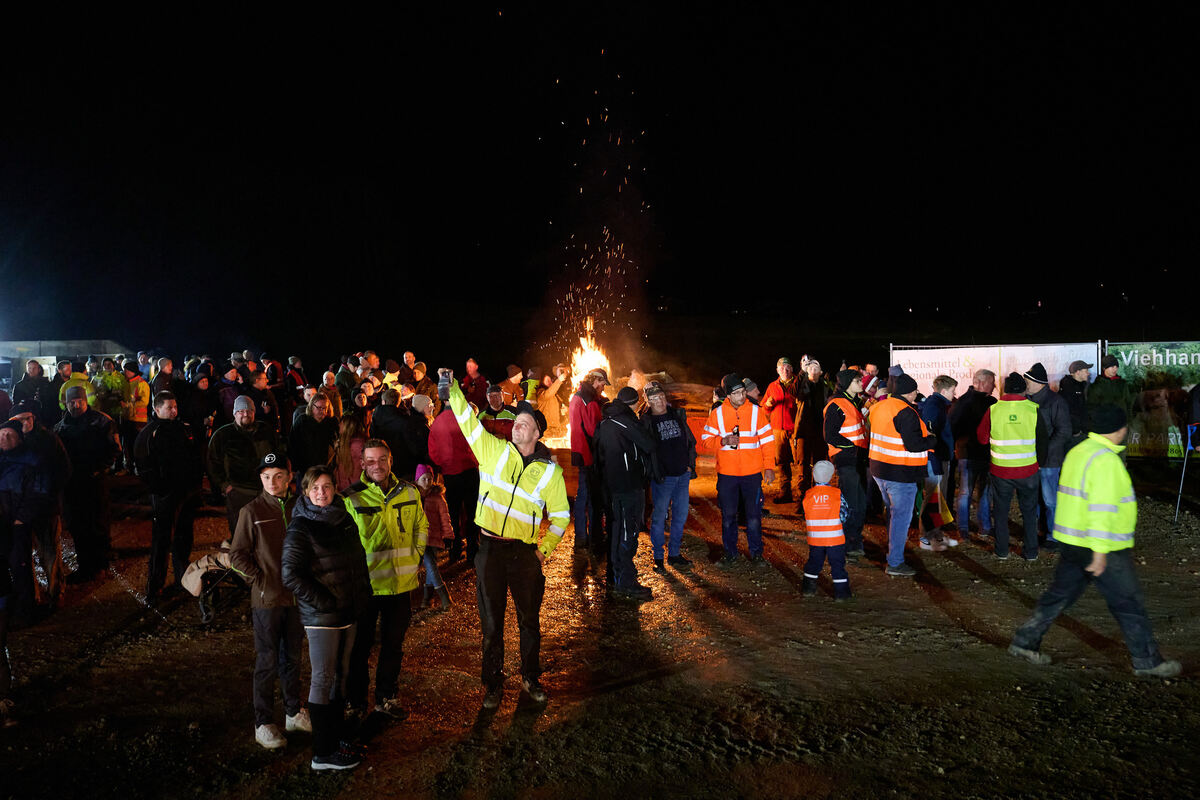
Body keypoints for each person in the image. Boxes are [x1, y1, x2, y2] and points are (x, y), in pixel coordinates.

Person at [1008, 406, 1181, 679]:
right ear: (1119, 430)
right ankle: (1147, 661)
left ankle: (1024, 641)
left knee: (1059, 596)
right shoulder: (1106, 461)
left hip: (1073, 542)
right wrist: (1100, 553)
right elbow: (1102, 510)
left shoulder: (1079, 452)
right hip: (1103, 546)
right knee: (1128, 602)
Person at [441, 368, 570, 708]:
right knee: (491, 623)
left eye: (523, 423)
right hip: (489, 552)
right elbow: (468, 422)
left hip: (525, 554)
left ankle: (530, 678)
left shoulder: (551, 473)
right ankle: (493, 684)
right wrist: (452, 390)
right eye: (516, 423)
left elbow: (560, 516)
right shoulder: (493, 451)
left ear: (537, 432)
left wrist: (543, 550)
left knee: (529, 621)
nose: (516, 426)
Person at [282, 465, 371, 770]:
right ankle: (322, 753)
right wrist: (325, 602)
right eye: (315, 488)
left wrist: (361, 599)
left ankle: (336, 738)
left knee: (340, 676)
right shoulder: (301, 526)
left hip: (347, 611)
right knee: (322, 678)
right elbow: (290, 574)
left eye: (327, 487)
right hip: (322, 616)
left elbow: (358, 562)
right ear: (306, 491)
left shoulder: (343, 519)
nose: (321, 493)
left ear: (334, 488)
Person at [343, 440, 426, 720]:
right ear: (362, 464)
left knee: (393, 646)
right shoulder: (351, 498)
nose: (377, 466)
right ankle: (355, 702)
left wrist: (416, 555)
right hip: (366, 587)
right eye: (370, 461)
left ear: (390, 461)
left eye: (382, 460)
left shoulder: (410, 492)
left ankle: (386, 697)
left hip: (400, 585)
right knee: (359, 647)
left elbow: (421, 526)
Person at [229, 453, 308, 749]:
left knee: (293, 658)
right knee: (267, 660)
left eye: (278, 476)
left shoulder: (300, 507)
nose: (272, 482)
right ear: (260, 479)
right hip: (267, 600)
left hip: (296, 598)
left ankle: (293, 712)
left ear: (289, 477)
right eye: (266, 477)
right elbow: (237, 554)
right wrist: (259, 580)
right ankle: (263, 722)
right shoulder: (251, 511)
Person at [134, 392, 204, 605]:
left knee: (184, 537)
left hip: (186, 493)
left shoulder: (185, 429)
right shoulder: (149, 433)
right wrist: (159, 489)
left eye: (175, 407)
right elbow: (143, 465)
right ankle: (155, 587)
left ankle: (183, 579)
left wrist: (195, 486)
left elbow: (197, 457)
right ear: (157, 409)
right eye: (169, 407)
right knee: (162, 541)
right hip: (165, 495)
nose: (174, 411)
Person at [700, 374, 777, 566]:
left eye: (743, 392)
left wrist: (769, 467)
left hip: (752, 474)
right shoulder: (717, 414)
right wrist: (722, 441)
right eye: (737, 393)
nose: (742, 396)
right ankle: (730, 553)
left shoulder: (756, 412)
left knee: (753, 517)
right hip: (727, 475)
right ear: (728, 395)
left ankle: (757, 554)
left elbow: (767, 441)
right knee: (728, 517)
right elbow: (705, 441)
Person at [867, 373, 937, 577]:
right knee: (901, 518)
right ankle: (895, 562)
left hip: (879, 469)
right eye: (915, 390)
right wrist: (932, 439)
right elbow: (914, 445)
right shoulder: (906, 412)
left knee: (893, 512)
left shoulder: (878, 407)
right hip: (900, 473)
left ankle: (893, 551)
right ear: (910, 392)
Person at [7, 402, 71, 614]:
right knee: (24, 556)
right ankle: (32, 596)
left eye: (28, 418)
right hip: (19, 511)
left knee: (49, 551)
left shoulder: (48, 440)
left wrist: (49, 495)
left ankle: (56, 592)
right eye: (20, 420)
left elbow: (63, 470)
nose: (25, 423)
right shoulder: (9, 442)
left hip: (45, 507)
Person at [593, 386, 657, 599]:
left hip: (612, 487)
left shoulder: (605, 422)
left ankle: (616, 576)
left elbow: (598, 457)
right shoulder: (625, 422)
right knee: (628, 532)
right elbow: (648, 444)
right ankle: (626, 581)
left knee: (617, 530)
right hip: (627, 486)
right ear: (635, 403)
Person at [54, 386, 120, 583]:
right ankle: (84, 566)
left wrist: (98, 469)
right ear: (66, 404)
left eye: (79, 401)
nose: (76, 405)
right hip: (72, 486)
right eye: (71, 402)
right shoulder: (60, 428)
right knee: (77, 526)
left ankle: (101, 565)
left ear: (85, 401)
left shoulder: (101, 422)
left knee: (98, 523)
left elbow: (114, 449)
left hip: (95, 483)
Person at [978, 373, 1046, 561]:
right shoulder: (1033, 409)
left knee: (1000, 512)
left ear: (1005, 390)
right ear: (1024, 390)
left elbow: (981, 438)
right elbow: (1043, 440)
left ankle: (1002, 550)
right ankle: (1031, 552)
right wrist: (1039, 463)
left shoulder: (993, 410)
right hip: (1028, 471)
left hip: (1001, 471)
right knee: (1029, 513)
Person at [640, 381, 696, 572]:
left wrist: (690, 466)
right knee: (658, 518)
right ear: (648, 401)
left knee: (680, 516)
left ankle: (674, 554)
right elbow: (645, 452)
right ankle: (658, 557)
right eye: (655, 398)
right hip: (663, 479)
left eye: (662, 397)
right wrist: (655, 473)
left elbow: (690, 441)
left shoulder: (677, 415)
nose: (660, 401)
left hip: (682, 475)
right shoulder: (647, 422)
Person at [208, 395, 282, 534]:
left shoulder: (266, 431)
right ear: (234, 413)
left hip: (265, 490)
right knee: (241, 532)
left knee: (265, 531)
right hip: (239, 491)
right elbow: (213, 463)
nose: (245, 414)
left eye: (249, 410)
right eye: (241, 411)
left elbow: (278, 454)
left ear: (254, 412)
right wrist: (225, 486)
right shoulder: (223, 435)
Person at [1024, 362, 1072, 550]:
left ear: (1038, 382)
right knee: (1034, 499)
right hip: (1031, 460)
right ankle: (1039, 532)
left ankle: (1054, 536)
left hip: (1049, 462)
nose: (1026, 384)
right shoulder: (1026, 401)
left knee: (1050, 500)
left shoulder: (1055, 402)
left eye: (1028, 381)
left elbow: (1064, 431)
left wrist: (1044, 452)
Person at [823, 369, 869, 556]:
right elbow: (829, 435)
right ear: (848, 384)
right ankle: (848, 545)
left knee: (860, 503)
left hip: (857, 459)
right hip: (845, 460)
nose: (861, 384)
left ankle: (854, 541)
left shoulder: (852, 401)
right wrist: (851, 448)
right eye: (858, 381)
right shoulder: (836, 405)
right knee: (852, 503)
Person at [428, 403, 480, 562]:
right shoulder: (468, 419)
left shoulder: (438, 421)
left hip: (450, 473)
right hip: (469, 470)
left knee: (453, 512)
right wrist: (475, 461)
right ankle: (472, 549)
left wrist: (444, 464)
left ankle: (455, 549)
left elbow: (433, 451)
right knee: (472, 512)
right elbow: (478, 444)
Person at [949, 369, 997, 542]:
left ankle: (982, 527)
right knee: (968, 492)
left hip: (980, 454)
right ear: (981, 382)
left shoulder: (985, 401)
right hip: (970, 453)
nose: (994, 386)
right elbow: (953, 426)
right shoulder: (965, 402)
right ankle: (966, 528)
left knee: (979, 492)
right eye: (992, 382)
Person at [569, 369, 608, 554]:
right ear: (596, 381)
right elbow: (594, 429)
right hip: (589, 454)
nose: (603, 388)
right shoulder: (589, 399)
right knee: (591, 497)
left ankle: (581, 537)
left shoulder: (579, 395)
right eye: (602, 384)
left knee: (582, 496)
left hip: (580, 451)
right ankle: (593, 537)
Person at [918, 375, 959, 551]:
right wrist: (936, 458)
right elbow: (930, 435)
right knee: (932, 497)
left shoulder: (939, 405)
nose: (954, 394)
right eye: (952, 391)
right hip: (936, 459)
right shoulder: (935, 407)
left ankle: (935, 534)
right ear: (943, 391)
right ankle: (925, 537)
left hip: (940, 457)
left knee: (938, 498)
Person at [801, 460, 851, 600]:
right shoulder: (836, 493)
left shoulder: (808, 494)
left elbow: (806, 513)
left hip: (815, 538)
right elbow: (844, 514)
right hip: (834, 539)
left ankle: (808, 589)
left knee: (814, 562)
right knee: (837, 565)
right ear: (831, 476)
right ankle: (842, 594)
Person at [414, 464, 453, 612]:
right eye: (423, 479)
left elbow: (445, 518)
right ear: (417, 480)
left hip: (434, 537)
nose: (427, 482)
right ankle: (445, 597)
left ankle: (427, 599)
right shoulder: (412, 496)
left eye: (429, 479)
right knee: (431, 565)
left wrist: (448, 536)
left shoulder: (438, 498)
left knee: (432, 567)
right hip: (418, 538)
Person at [762, 357, 800, 504]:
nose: (785, 370)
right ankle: (785, 493)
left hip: (796, 429)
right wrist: (768, 404)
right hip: (778, 430)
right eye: (782, 368)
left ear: (792, 369)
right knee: (782, 462)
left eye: (788, 367)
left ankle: (803, 494)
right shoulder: (772, 386)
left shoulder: (799, 383)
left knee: (800, 462)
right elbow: (764, 408)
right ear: (777, 370)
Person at [794, 358, 830, 494]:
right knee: (803, 467)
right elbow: (794, 392)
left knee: (819, 466)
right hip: (804, 432)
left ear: (821, 371)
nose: (813, 368)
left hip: (820, 433)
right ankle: (803, 498)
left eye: (816, 366)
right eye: (810, 367)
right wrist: (802, 373)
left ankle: (817, 497)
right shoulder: (802, 385)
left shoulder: (826, 386)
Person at [288, 392, 337, 479]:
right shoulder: (302, 421)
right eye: (319, 407)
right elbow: (292, 445)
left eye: (325, 408)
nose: (322, 411)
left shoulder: (331, 422)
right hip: (304, 468)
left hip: (325, 467)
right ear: (311, 406)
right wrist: (294, 467)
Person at [1059, 360, 1092, 449]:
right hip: (1074, 434)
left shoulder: (1084, 386)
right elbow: (1068, 411)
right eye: (1086, 371)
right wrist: (1075, 430)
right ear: (1078, 372)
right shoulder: (1068, 388)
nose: (1088, 373)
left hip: (1084, 431)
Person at [334, 414, 368, 493]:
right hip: (344, 485)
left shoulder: (358, 445)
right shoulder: (344, 442)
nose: (339, 425)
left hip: (354, 487)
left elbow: (367, 466)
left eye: (341, 423)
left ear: (347, 426)